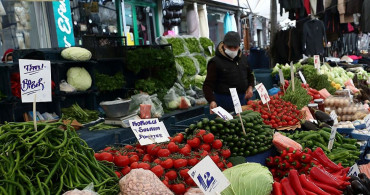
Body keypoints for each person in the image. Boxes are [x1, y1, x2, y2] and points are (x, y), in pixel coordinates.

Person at [203, 31, 254, 113]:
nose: (233, 49)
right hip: (223, 101)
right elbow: (207, 85)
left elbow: (250, 75)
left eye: (235, 47)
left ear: (239, 46)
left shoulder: (243, 59)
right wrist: (212, 101)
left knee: (243, 123)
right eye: (229, 47)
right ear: (223, 45)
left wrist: (250, 87)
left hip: (242, 100)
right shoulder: (215, 62)